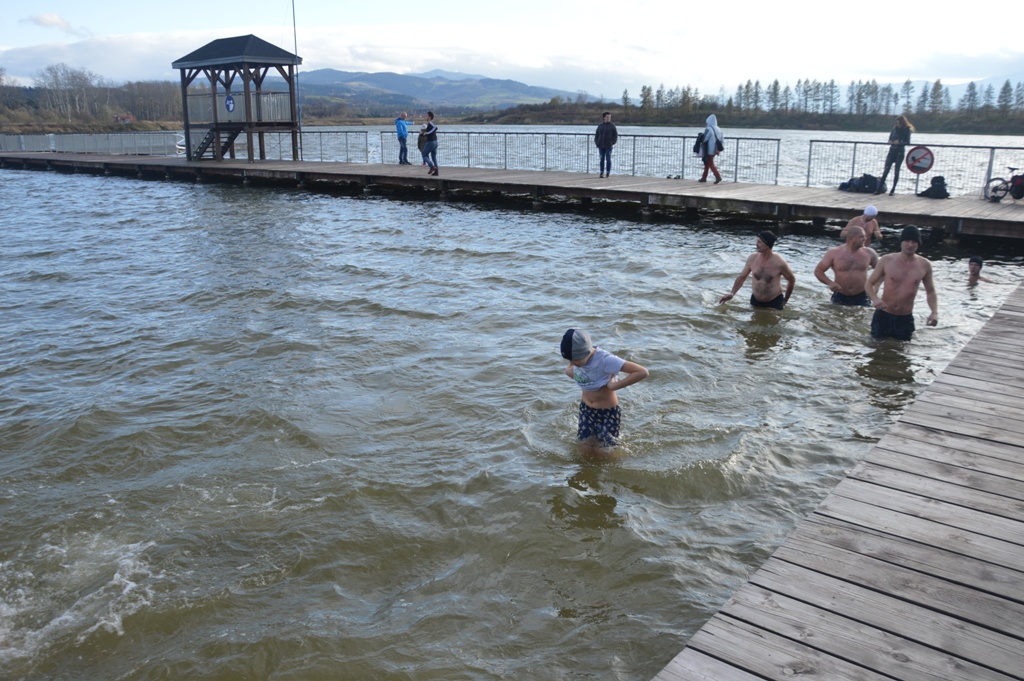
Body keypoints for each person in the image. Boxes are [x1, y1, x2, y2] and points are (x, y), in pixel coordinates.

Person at [561, 328, 648, 454]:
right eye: (570, 360)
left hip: (607, 412)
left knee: (606, 451)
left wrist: (614, 386)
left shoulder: (605, 359)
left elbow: (642, 372)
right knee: (584, 448)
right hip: (586, 410)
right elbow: (575, 371)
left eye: (575, 360)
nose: (572, 363)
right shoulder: (577, 362)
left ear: (585, 352)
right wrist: (570, 371)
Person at [866, 226, 938, 340]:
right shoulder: (887, 260)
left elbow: (931, 292)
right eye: (907, 241)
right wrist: (875, 299)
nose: (910, 245)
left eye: (914, 242)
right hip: (883, 315)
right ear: (901, 242)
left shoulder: (925, 265)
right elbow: (869, 283)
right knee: (876, 347)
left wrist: (934, 312)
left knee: (902, 349)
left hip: (905, 318)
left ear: (918, 244)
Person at [718, 231, 796, 310]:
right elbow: (742, 277)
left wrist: (785, 300)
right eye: (756, 241)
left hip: (774, 302)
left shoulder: (780, 263)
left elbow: (791, 280)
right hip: (755, 300)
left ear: (767, 244)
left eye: (759, 242)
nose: (756, 244)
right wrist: (732, 293)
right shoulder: (752, 258)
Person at [814, 225, 879, 305]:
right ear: (851, 238)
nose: (865, 239)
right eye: (861, 237)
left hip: (862, 295)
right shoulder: (834, 253)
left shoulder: (869, 253)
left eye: (865, 236)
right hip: (840, 294)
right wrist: (830, 283)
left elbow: (881, 271)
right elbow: (818, 271)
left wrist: (876, 286)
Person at [877, 115, 915, 196]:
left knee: (896, 171)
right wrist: (891, 141)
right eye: (897, 123)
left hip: (899, 152)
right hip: (892, 151)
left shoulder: (906, 130)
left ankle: (893, 189)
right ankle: (879, 189)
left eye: (899, 123)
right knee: (886, 170)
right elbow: (889, 139)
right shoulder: (894, 129)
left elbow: (908, 142)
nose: (898, 125)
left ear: (902, 123)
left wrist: (899, 142)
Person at [699, 114, 724, 184]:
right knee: (707, 162)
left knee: (710, 162)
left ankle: (718, 176)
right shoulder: (719, 129)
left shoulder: (708, 129)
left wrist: (700, 140)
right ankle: (704, 178)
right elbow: (722, 140)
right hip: (716, 149)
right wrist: (718, 149)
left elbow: (705, 138)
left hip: (709, 149)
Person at [594, 112, 618, 178]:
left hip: (608, 146)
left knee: (608, 159)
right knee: (601, 159)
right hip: (601, 145)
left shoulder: (612, 126)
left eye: (609, 117)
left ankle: (608, 172)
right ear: (604, 118)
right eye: (607, 117)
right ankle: (601, 172)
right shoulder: (600, 126)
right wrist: (597, 142)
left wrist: (612, 142)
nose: (608, 119)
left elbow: (615, 135)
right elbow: (597, 135)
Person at [421, 111, 439, 176]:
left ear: (430, 117)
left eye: (426, 115)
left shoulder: (430, 123)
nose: (425, 116)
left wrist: (427, 133)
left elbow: (435, 127)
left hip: (431, 142)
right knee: (434, 157)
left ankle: (432, 167)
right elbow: (430, 132)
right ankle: (436, 172)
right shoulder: (429, 124)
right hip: (435, 142)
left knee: (424, 155)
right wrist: (423, 134)